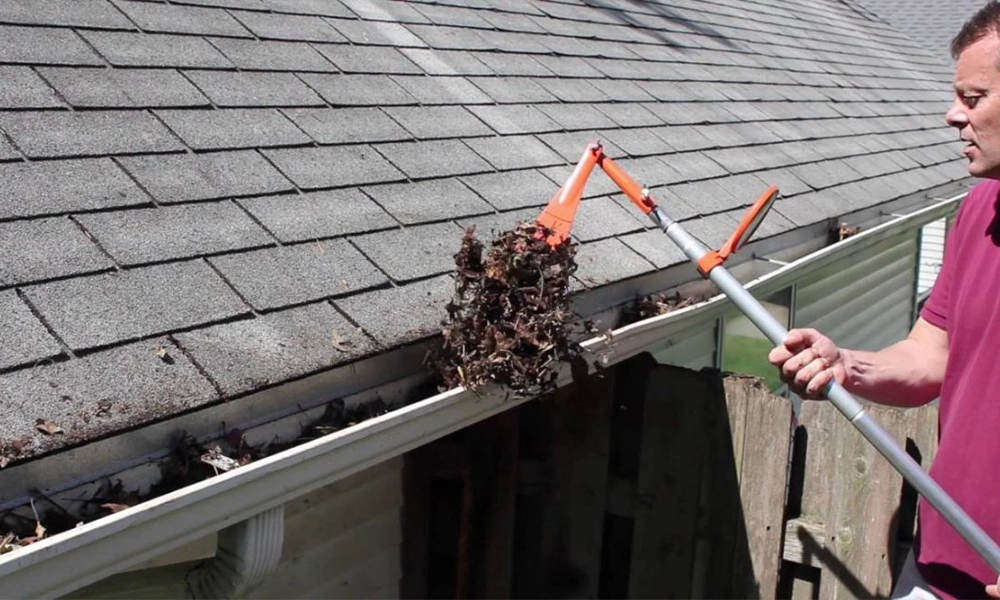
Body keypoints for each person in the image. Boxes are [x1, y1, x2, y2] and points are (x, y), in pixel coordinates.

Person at [769, 3, 1000, 598]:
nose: (953, 116)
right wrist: (844, 364)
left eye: (974, 98)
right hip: (940, 566)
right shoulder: (979, 213)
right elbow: (930, 357)